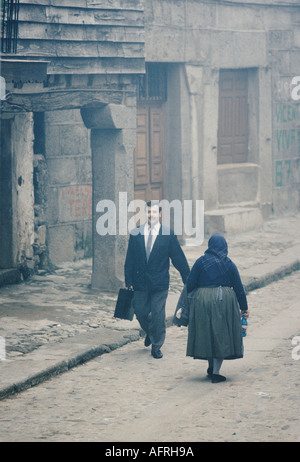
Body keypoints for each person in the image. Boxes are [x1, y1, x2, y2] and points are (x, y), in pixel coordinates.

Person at [124, 200, 190, 359]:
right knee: (139, 311)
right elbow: (130, 260)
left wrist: (188, 279)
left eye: (154, 212)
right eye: (148, 212)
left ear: (159, 214)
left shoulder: (168, 234)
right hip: (140, 282)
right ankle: (150, 332)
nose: (151, 215)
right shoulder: (135, 234)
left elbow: (178, 258)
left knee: (158, 316)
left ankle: (156, 346)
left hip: (159, 283)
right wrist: (129, 281)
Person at [184, 233, 249, 383]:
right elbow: (239, 288)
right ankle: (216, 372)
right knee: (221, 334)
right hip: (223, 301)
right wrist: (244, 308)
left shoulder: (200, 262)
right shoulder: (229, 264)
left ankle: (211, 366)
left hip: (202, 300)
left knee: (207, 333)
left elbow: (190, 283)